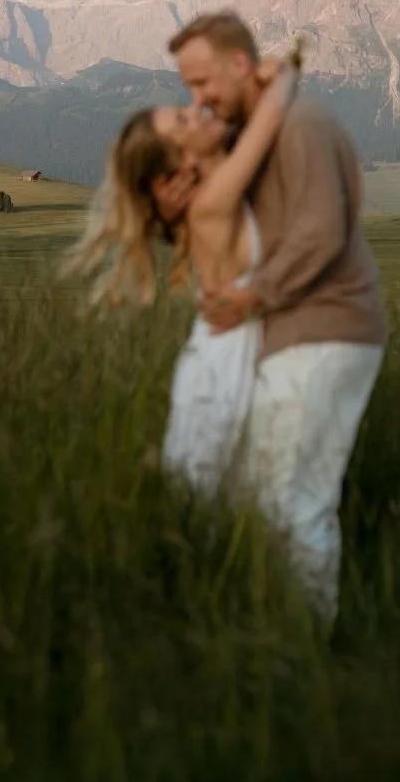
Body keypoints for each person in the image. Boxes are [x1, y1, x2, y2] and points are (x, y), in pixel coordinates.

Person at [161, 11, 387, 624]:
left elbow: (321, 230)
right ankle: (270, 631)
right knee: (267, 494)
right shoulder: (267, 126)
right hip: (296, 336)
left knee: (295, 501)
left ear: (239, 65)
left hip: (324, 331)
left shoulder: (302, 124)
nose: (198, 100)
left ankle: (306, 657)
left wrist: (252, 295)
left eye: (202, 83)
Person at [63, 44, 303, 494]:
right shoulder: (213, 204)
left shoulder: (211, 192)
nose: (194, 112)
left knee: (231, 491)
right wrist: (286, 69)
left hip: (237, 349)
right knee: (229, 491)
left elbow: (243, 129)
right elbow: (269, 117)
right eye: (181, 122)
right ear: (173, 170)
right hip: (231, 361)